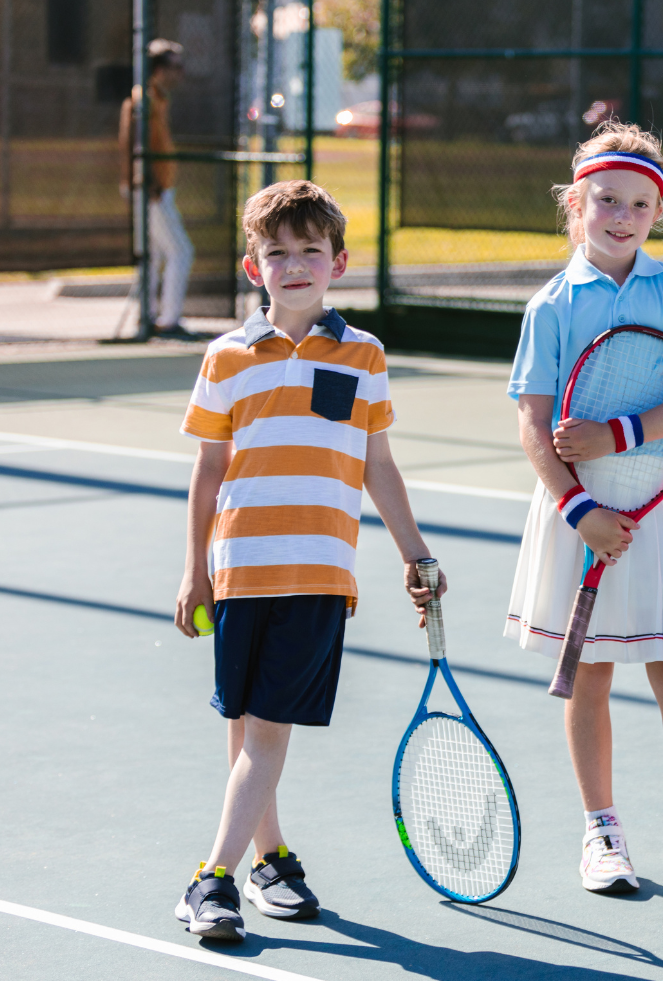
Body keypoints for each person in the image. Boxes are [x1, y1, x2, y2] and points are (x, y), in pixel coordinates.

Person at [172, 180, 441, 941]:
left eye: (310, 251)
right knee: (248, 721)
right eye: (277, 253)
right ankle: (268, 860)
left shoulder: (365, 355)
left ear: (339, 262)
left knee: (268, 729)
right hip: (239, 570)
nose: (294, 265)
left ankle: (211, 877)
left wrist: (415, 551)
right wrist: (195, 567)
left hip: (321, 571)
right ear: (254, 267)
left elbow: (377, 464)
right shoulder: (225, 358)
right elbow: (209, 469)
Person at [504, 121, 663, 907]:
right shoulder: (549, 306)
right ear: (575, 202)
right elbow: (534, 427)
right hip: (576, 515)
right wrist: (580, 509)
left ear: (657, 212)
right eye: (606, 199)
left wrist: (620, 433)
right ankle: (601, 832)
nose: (622, 215)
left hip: (650, 514)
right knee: (590, 676)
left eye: (640, 204)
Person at [119, 38, 195, 338]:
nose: (181, 72)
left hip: (158, 189)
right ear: (160, 69)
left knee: (157, 254)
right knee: (181, 251)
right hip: (151, 190)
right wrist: (149, 184)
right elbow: (135, 145)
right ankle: (168, 321)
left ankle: (149, 317)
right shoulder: (143, 101)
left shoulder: (158, 99)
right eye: (176, 67)